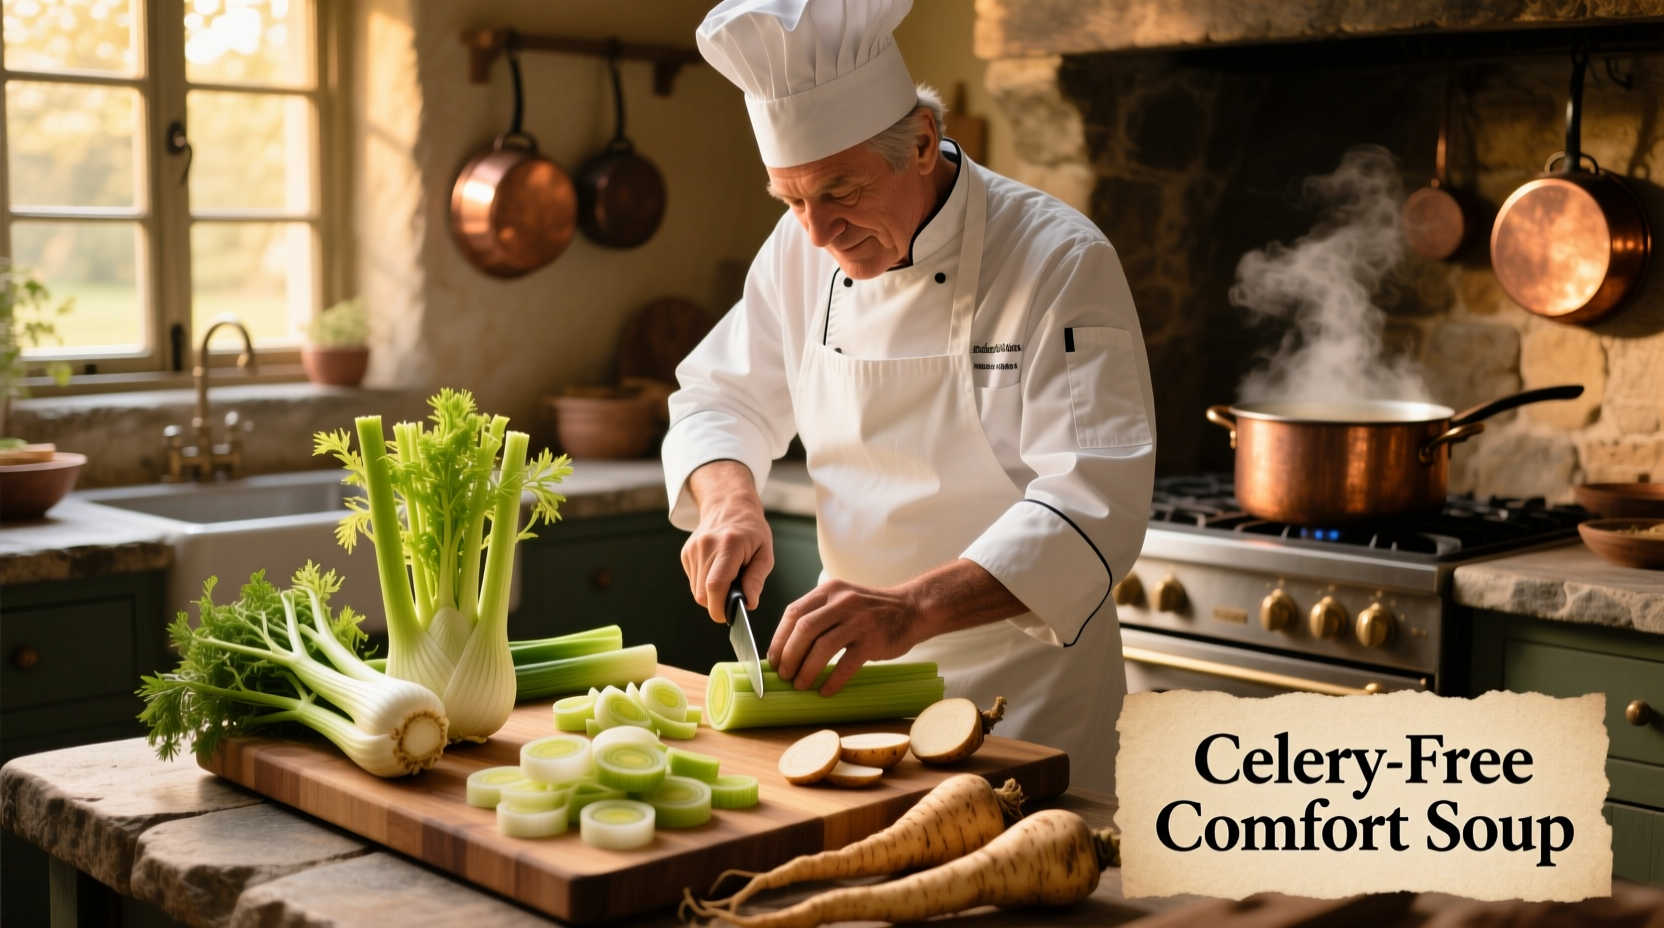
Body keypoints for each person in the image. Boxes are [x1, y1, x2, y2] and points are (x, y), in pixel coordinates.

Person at [663, 0, 1155, 794]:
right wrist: (727, 501)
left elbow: (1095, 500)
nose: (817, 233)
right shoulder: (798, 249)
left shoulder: (1058, 261)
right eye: (790, 200)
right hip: (855, 687)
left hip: (1024, 702)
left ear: (922, 142)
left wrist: (913, 608)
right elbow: (719, 397)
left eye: (842, 190)